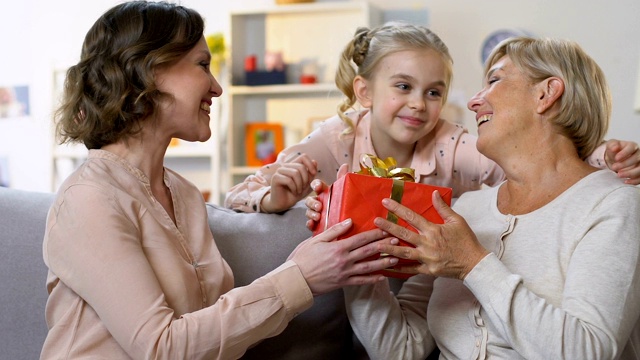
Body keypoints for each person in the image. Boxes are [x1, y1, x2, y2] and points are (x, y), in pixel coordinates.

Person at [41, 2, 394, 359]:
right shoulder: (88, 199)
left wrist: (276, 202)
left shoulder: (184, 195)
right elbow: (163, 349)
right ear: (147, 71)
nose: (216, 88)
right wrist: (300, 277)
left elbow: (212, 337)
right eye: (203, 65)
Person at [341, 36, 640, 359]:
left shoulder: (612, 205)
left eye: (495, 80)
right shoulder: (466, 208)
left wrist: (472, 265)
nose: (473, 102)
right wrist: (354, 253)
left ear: (546, 94)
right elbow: (400, 349)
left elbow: (587, 351)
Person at [224, 22, 640, 215]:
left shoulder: (450, 142)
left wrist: (605, 155)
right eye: (403, 87)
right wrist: (274, 197)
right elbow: (239, 195)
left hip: (424, 283)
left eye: (434, 92)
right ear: (364, 92)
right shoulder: (336, 139)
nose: (419, 104)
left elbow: (530, 164)